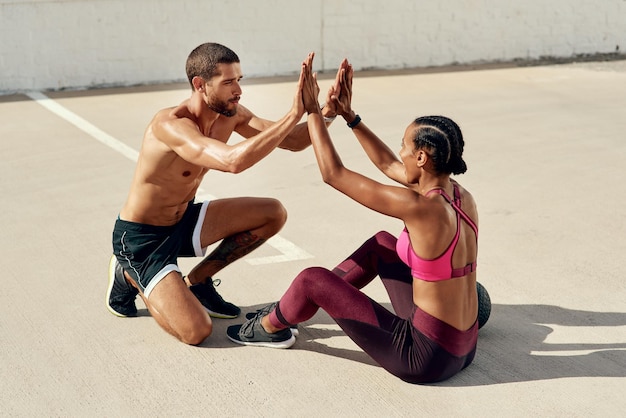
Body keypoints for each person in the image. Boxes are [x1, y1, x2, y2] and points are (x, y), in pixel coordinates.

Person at [227, 53, 483, 384]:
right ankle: (296, 306)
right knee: (381, 245)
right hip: (464, 346)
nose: (400, 152)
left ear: (421, 157)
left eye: (403, 146)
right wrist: (350, 116)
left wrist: (314, 112)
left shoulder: (419, 208)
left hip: (424, 357)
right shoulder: (461, 196)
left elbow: (333, 174)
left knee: (311, 279)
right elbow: (390, 166)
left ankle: (270, 327)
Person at [106, 43, 344, 345]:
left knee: (272, 213)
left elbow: (292, 141)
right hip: (142, 239)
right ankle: (128, 274)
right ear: (200, 84)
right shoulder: (171, 125)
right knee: (196, 332)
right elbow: (231, 162)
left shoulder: (231, 114)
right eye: (228, 82)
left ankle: (198, 281)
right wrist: (294, 111)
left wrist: (326, 113)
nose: (238, 90)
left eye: (239, 80)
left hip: (182, 221)